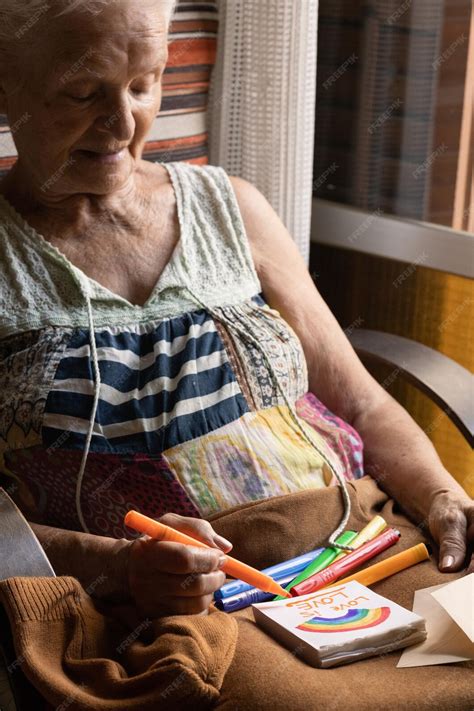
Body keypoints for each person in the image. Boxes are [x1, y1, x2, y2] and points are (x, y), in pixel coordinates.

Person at [0, 0, 472, 622]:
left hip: (356, 548)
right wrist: (114, 566)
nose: (122, 124)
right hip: (156, 608)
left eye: (145, 84)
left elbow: (360, 401)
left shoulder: (233, 208)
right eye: (82, 93)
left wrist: (441, 495)